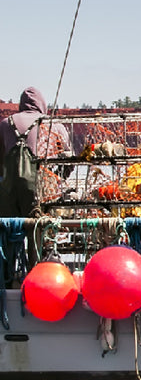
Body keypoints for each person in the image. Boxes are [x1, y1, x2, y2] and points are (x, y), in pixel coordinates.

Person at [0, 87, 71, 275]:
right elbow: (68, 158)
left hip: (8, 192)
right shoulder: (53, 124)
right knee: (38, 233)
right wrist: (59, 180)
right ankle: (38, 276)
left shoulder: (5, 124)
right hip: (39, 191)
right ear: (42, 103)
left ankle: (7, 279)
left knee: (7, 232)